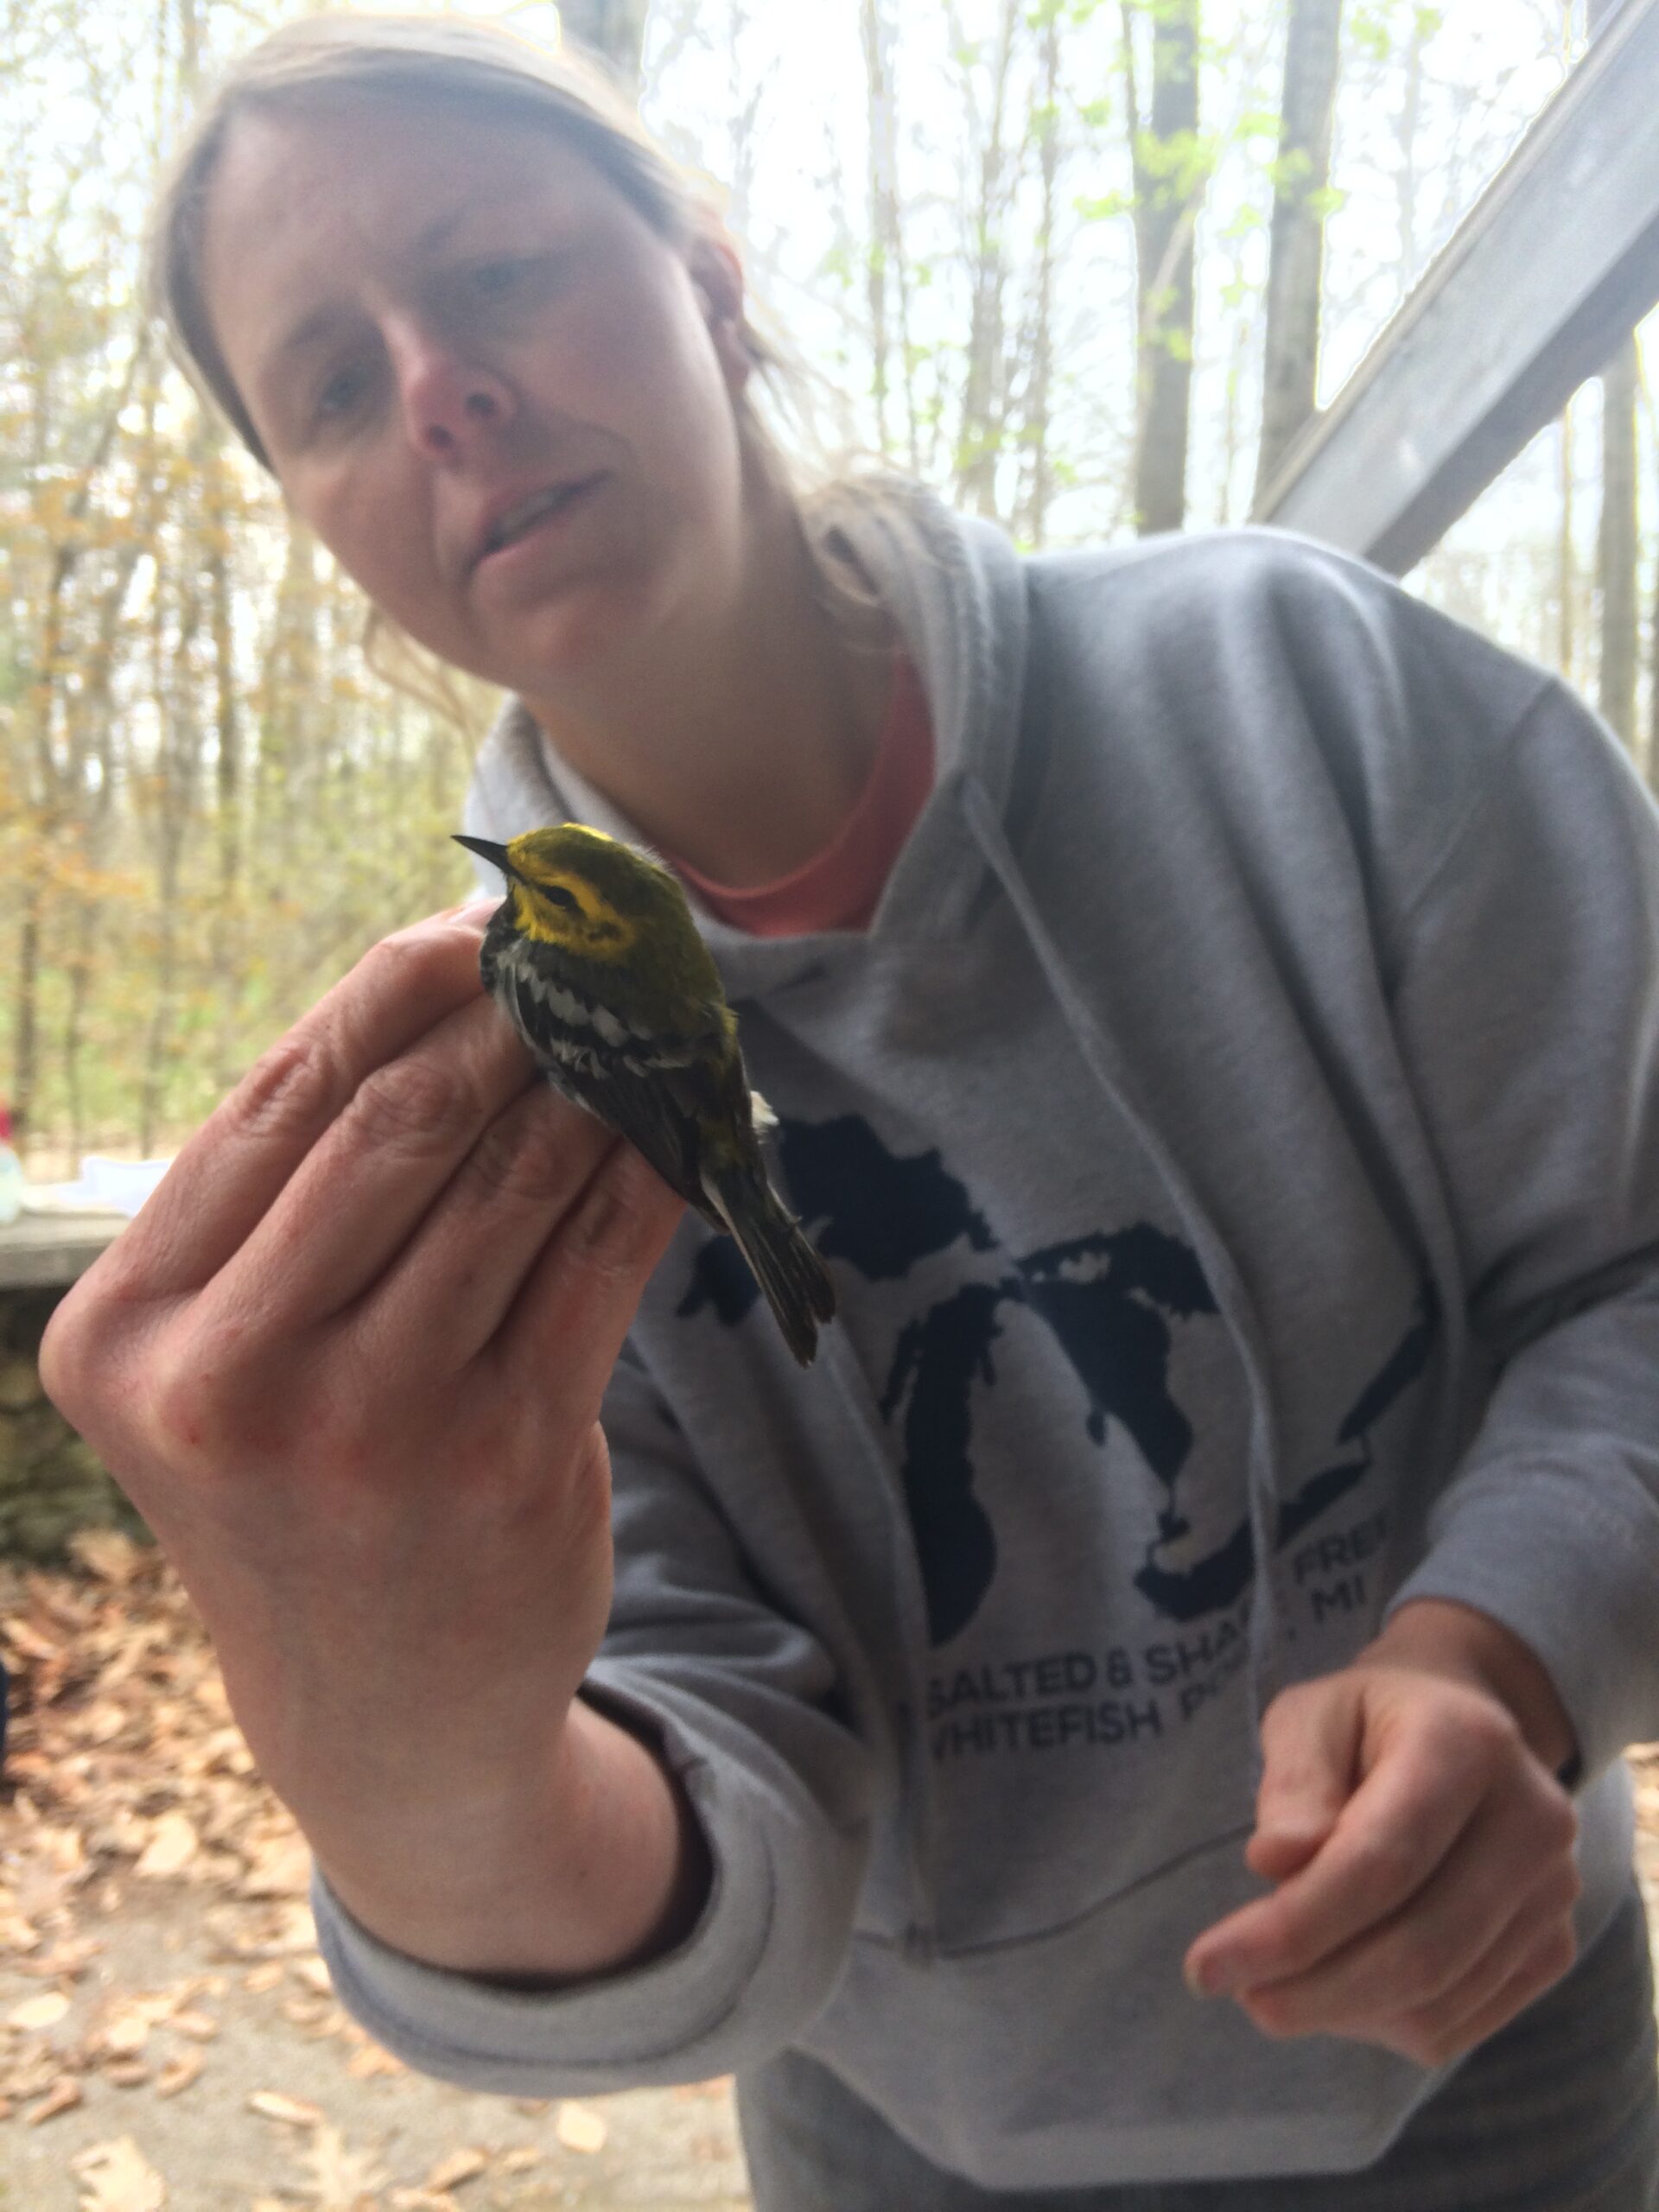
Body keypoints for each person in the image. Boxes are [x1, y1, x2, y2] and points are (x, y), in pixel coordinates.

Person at [40, 15, 1659, 2209]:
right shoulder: (478, 1103)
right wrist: (416, 1770)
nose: (438, 386)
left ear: (709, 277)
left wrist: (1497, 1647)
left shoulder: (1320, 701)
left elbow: (1626, 1278)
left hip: (1501, 2045)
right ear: (320, 520)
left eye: (494, 270)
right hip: (907, 2130)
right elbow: (686, 1763)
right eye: (331, 382)